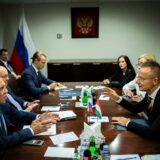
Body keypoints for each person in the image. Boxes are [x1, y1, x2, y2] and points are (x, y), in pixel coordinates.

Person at [0, 77, 60, 157]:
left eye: (5, 87)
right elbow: (2, 142)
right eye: (1, 88)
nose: (6, 91)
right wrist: (31, 130)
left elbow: (18, 115)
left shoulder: (3, 104)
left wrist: (39, 117)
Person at [103, 61, 160, 139]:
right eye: (138, 78)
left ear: (155, 81)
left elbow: (153, 133)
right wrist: (118, 98)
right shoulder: (150, 92)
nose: (137, 81)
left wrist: (127, 123)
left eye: (142, 79)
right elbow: (137, 108)